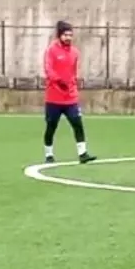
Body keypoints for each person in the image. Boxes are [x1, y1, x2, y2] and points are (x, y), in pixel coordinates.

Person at [42, 21, 96, 164]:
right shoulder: (51, 50)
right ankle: (49, 154)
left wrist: (73, 84)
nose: (68, 38)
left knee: (77, 123)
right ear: (60, 35)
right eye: (65, 35)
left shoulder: (75, 52)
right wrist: (59, 81)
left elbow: (73, 72)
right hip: (54, 97)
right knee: (51, 127)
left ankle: (83, 153)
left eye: (70, 35)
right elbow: (48, 70)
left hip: (70, 97)